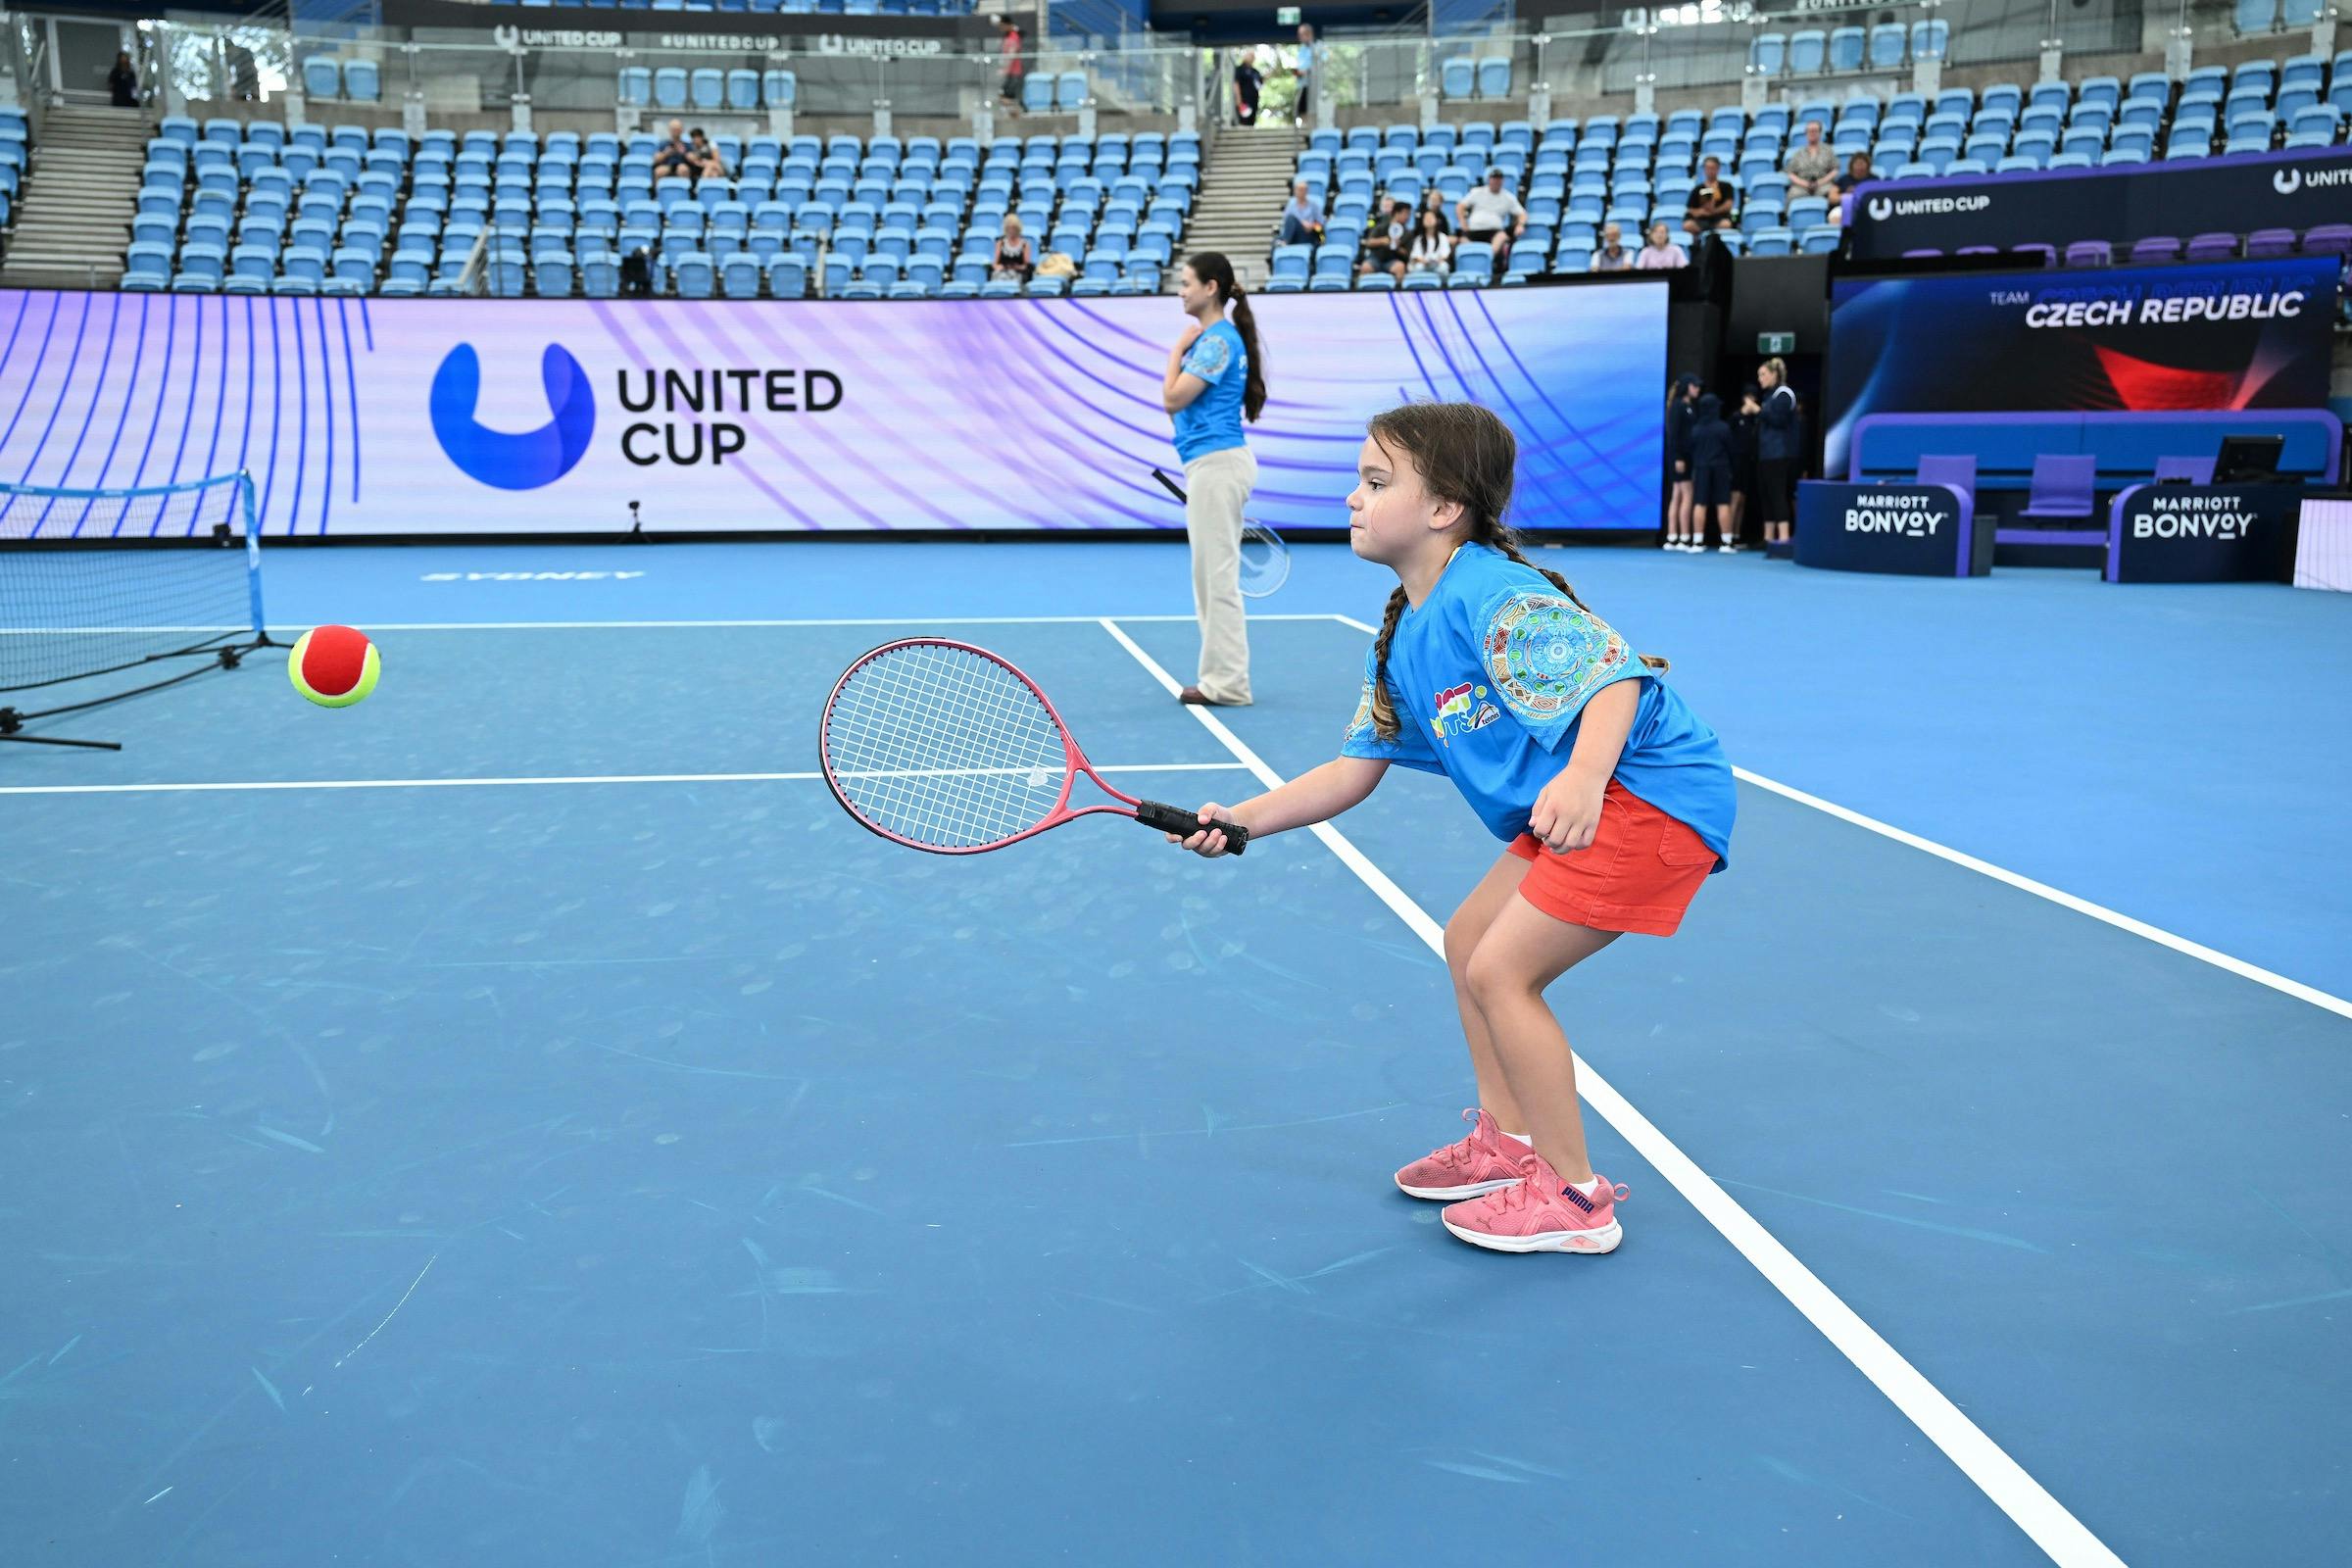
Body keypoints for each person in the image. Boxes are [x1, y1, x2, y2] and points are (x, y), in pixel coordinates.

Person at [1167, 401, 1735, 1257]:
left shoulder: (1490, 591)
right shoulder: (1401, 630)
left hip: (1645, 796)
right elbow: (1352, 771)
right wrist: (1239, 821)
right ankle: (1504, 1146)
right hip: (1591, 800)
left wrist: (1582, 776)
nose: (1352, 498)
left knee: (1504, 970)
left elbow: (1616, 675)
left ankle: (1577, 1200)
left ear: (1444, 509)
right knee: (1468, 937)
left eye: (1374, 481)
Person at [1161, 252, 1267, 709]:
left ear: (1211, 287)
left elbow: (1173, 398)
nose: (1181, 290)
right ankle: (1220, 678)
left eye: (1187, 282)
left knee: (1217, 578)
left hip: (1218, 464)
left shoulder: (1217, 342)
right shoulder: (1218, 339)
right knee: (1209, 576)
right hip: (1212, 464)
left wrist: (1174, 352)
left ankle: (1228, 684)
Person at [1755, 357, 1799, 549]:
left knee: (1778, 494)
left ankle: (1783, 538)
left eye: (1763, 374)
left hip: (1780, 454)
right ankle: (1768, 538)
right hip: (1766, 453)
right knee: (1766, 495)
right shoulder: (1768, 397)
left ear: (1774, 374)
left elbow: (1779, 420)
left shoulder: (1784, 394)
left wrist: (1757, 410)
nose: (1760, 379)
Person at [1689, 393, 1736, 552]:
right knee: (1723, 503)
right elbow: (1731, 449)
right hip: (1720, 467)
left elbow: (1691, 449)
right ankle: (1726, 542)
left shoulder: (1696, 429)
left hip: (1701, 467)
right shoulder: (1723, 428)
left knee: (1699, 503)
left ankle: (1697, 541)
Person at [1455, 168, 1526, 270]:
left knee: (1502, 237)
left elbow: (1522, 214)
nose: (1496, 181)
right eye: (1494, 178)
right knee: (1462, 240)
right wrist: (1462, 221)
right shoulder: (1477, 192)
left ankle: (1485, 261)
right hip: (1474, 230)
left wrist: (1520, 225)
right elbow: (1460, 206)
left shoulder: (1508, 197)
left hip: (1494, 231)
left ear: (1502, 181)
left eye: (1499, 179)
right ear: (1489, 180)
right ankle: (1470, 266)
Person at [1663, 374, 1699, 550]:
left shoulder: (1689, 406)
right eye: (1695, 386)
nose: (1697, 389)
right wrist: (1678, 457)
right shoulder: (1678, 406)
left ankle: (1674, 536)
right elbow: (1673, 434)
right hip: (1679, 458)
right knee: (1685, 494)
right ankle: (1682, 537)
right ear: (1687, 387)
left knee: (1678, 494)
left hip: (1686, 456)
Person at [1728, 384, 1761, 547]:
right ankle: (1727, 536)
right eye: (1748, 397)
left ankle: (1736, 534)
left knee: (1742, 499)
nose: (1750, 400)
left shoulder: (1755, 419)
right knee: (1735, 498)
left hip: (1749, 462)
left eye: (1753, 397)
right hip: (1736, 462)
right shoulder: (1735, 418)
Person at [1784, 120, 1837, 199]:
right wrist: (1805, 184)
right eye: (1810, 131)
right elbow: (1791, 173)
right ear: (1806, 133)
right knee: (1793, 194)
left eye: (1815, 131)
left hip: (1823, 184)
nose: (1812, 133)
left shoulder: (1828, 151)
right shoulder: (1798, 153)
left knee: (1830, 192)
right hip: (1802, 186)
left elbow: (1835, 170)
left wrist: (1820, 182)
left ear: (1820, 133)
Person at [1684, 156, 1737, 235]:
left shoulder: (1726, 186)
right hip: (1701, 221)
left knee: (1726, 224)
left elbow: (1728, 205)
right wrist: (1700, 212)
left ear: (1718, 169)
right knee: (1687, 225)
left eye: (1713, 168)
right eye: (1707, 168)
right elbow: (1690, 209)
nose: (1710, 171)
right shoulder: (1697, 189)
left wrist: (1714, 211)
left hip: (1719, 219)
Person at [1360, 197, 1410, 281]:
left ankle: (1398, 292)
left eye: (1408, 214)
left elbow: (1407, 253)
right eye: (1405, 214)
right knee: (1365, 267)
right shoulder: (1381, 226)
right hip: (1375, 258)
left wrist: (1397, 247)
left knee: (1400, 267)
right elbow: (1369, 242)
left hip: (1393, 260)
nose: (1407, 217)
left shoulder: (1407, 232)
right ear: (1396, 213)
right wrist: (1382, 241)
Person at [1827, 152, 1874, 223]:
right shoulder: (1843, 179)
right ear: (1851, 166)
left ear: (1868, 166)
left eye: (1862, 164)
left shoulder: (1874, 179)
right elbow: (1832, 197)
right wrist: (1847, 196)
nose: (1859, 167)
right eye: (1857, 164)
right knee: (1835, 216)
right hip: (1845, 207)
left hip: (1868, 207)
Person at [1278, 180, 1326, 247]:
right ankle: (1285, 242)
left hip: (1308, 234)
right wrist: (1301, 222)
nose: (1301, 192)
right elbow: (1286, 223)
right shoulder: (1290, 206)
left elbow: (1322, 222)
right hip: (1294, 235)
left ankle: (1285, 242)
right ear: (1295, 191)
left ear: (1307, 191)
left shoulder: (1313, 206)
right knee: (1290, 219)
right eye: (1299, 189)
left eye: (1304, 190)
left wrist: (1311, 226)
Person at [1405, 208, 1452, 275]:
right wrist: (1424, 261)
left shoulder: (1443, 237)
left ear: (1436, 220)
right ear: (1423, 222)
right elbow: (1415, 256)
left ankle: (1442, 286)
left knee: (1443, 267)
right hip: (1423, 264)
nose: (1429, 220)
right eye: (1426, 218)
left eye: (1431, 217)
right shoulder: (1419, 239)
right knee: (1418, 267)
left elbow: (1446, 254)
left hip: (1437, 264)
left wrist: (1437, 261)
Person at [991, 214, 1035, 283]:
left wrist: (1016, 267)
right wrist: (999, 267)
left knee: (1013, 278)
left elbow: (1026, 266)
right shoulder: (1000, 243)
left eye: (1013, 228)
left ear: (1018, 229)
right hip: (1002, 272)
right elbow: (995, 264)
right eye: (1009, 228)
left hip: (1018, 273)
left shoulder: (1025, 244)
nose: (1011, 231)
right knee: (999, 276)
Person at [996, 16, 1024, 117]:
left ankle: (1016, 115)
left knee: (1007, 97)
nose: (1000, 28)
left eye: (1002, 25)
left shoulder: (1013, 36)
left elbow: (1011, 55)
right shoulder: (1008, 36)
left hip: (1014, 72)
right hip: (1010, 73)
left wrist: (1004, 69)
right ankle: (1012, 115)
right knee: (1003, 96)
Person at [1291, 24, 1317, 126]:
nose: (1300, 37)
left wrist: (1308, 71)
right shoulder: (1302, 50)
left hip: (1313, 85)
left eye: (1302, 34)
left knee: (1309, 107)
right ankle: (1304, 125)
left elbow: (1322, 63)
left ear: (1309, 34)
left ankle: (1310, 126)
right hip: (1302, 84)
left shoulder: (1316, 47)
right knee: (1301, 108)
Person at [1232, 50, 1262, 127]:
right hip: (1244, 100)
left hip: (1254, 100)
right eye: (1250, 55)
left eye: (1253, 56)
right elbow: (1236, 83)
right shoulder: (1239, 69)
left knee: (1251, 120)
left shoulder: (1255, 71)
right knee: (1244, 120)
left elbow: (1260, 82)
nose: (1252, 58)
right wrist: (1238, 99)